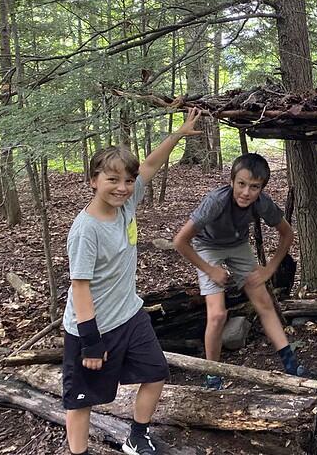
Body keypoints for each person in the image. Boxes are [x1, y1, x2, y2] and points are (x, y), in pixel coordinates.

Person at [62, 108, 203, 455]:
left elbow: (151, 166)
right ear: (93, 180)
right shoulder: (86, 230)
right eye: (113, 180)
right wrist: (91, 342)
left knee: (155, 372)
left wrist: (178, 134)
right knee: (81, 400)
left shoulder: (126, 205)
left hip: (130, 315)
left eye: (127, 180)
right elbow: (79, 287)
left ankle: (136, 437)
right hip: (91, 327)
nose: (123, 188)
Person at [173, 153, 304, 390]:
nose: (246, 192)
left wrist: (269, 269)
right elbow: (180, 241)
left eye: (254, 187)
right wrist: (210, 270)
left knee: (264, 303)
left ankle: (291, 365)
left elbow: (288, 234)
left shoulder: (263, 203)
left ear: (262, 188)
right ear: (232, 181)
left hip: (238, 245)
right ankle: (212, 374)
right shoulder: (215, 201)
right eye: (241, 184)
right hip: (207, 246)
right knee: (217, 315)